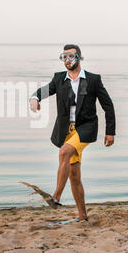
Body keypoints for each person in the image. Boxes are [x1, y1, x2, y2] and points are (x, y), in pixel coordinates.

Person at [29, 44, 116, 222]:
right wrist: (34, 98)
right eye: (64, 57)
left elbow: (108, 105)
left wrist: (110, 132)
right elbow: (44, 91)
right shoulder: (59, 78)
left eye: (71, 56)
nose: (67, 60)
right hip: (66, 130)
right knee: (74, 175)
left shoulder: (93, 80)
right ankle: (83, 216)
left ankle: (55, 197)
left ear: (79, 58)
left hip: (86, 127)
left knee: (64, 152)